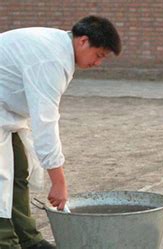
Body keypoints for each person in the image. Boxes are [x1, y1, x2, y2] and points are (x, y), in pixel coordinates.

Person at [0, 15, 121, 249]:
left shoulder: (58, 47)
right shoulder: (50, 60)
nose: (98, 64)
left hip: (5, 113)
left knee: (17, 169)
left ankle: (28, 239)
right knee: (0, 176)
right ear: (83, 41)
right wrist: (59, 182)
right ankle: (5, 242)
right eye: (99, 55)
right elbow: (45, 122)